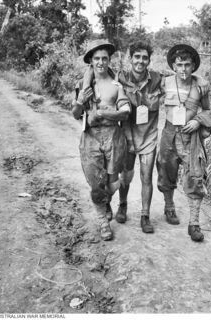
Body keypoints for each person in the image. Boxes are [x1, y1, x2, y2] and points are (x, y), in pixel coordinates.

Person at [72, 39, 131, 241]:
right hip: (90, 137)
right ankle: (103, 223)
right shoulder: (83, 84)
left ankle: (106, 202)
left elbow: (125, 111)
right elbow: (75, 113)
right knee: (96, 183)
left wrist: (104, 114)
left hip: (113, 136)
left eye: (104, 58)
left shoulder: (116, 84)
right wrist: (81, 101)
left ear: (109, 60)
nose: (100, 62)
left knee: (113, 182)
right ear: (90, 61)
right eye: (96, 58)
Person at [156, 44, 211, 242]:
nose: (183, 69)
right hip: (169, 133)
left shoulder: (201, 86)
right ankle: (169, 207)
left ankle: (194, 224)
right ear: (173, 66)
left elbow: (207, 111)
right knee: (165, 170)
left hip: (191, 137)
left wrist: (197, 120)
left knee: (195, 176)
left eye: (187, 65)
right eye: (179, 65)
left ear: (193, 66)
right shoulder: (164, 83)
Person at [114, 40, 163, 233]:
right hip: (126, 136)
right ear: (130, 58)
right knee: (125, 176)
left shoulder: (158, 79)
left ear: (149, 60)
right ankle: (122, 204)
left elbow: (180, 85)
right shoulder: (120, 78)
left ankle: (145, 216)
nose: (140, 61)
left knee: (146, 177)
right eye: (137, 57)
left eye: (144, 57)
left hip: (148, 137)